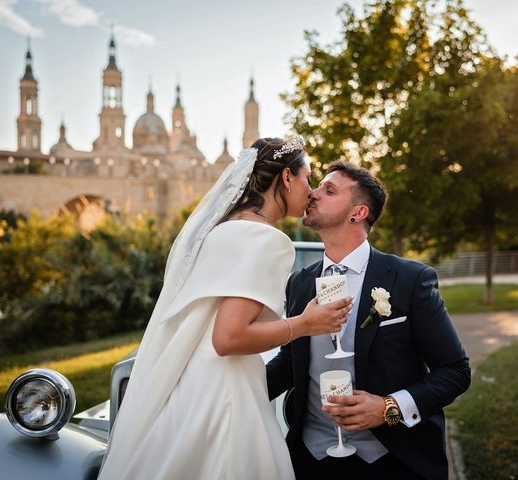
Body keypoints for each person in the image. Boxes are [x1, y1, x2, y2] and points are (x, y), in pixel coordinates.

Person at [98, 137, 353, 480]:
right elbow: (229, 337)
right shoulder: (267, 239)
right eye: (308, 178)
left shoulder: (224, 227)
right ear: (287, 178)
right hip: (226, 395)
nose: (311, 191)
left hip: (190, 383)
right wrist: (305, 324)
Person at [266, 161, 471, 479]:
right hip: (309, 459)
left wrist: (389, 408)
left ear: (357, 213)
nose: (313, 193)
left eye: (328, 189)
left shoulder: (410, 280)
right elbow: (290, 361)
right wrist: (231, 389)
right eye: (317, 185)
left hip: (392, 460)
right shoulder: (300, 283)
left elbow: (455, 371)